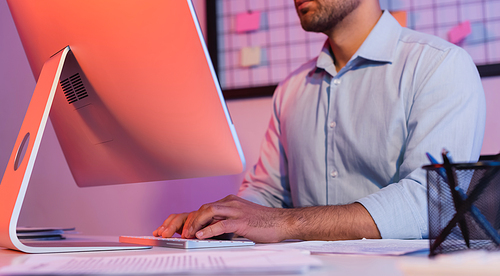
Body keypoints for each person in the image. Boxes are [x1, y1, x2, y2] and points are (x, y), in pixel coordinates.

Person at [153, 0, 486, 242]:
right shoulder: (291, 88)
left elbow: (429, 202)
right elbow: (269, 194)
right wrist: (219, 222)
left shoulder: (440, 66)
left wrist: (285, 223)